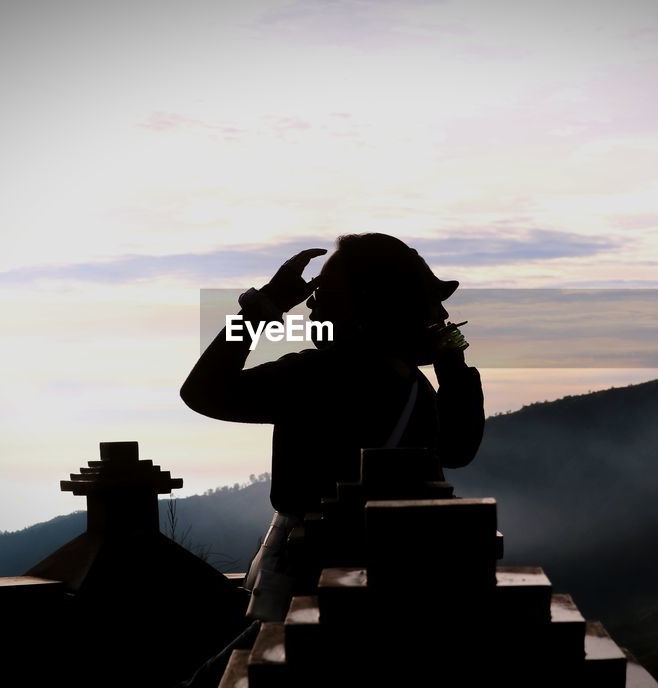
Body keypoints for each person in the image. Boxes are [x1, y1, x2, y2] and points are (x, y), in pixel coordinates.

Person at [180, 233, 485, 625]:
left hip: (309, 591)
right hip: (392, 587)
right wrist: (453, 367)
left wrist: (263, 308)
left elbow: (202, 392)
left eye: (324, 290)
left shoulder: (317, 376)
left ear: (361, 301)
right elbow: (459, 450)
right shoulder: (413, 384)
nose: (311, 301)